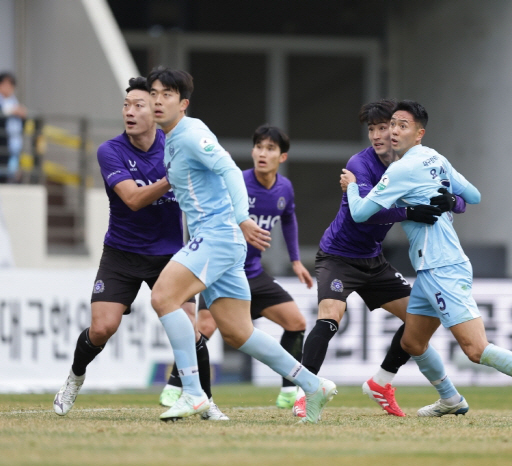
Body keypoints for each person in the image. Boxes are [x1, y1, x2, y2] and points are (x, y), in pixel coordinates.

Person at [341, 100, 512, 421]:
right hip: (429, 269)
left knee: (475, 349)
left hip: (443, 267)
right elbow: (474, 196)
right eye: (392, 124)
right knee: (412, 341)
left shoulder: (402, 169)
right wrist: (453, 198)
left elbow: (359, 213)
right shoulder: (436, 158)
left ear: (419, 133)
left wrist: (352, 187)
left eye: (403, 126)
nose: (394, 131)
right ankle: (450, 399)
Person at [147, 66, 336, 423]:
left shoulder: (190, 133)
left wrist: (241, 217)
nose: (158, 100)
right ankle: (313, 385)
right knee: (238, 332)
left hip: (217, 235)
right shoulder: (171, 139)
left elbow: (230, 170)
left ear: (183, 103)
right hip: (220, 241)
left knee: (162, 297)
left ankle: (191, 393)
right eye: (154, 93)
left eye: (167, 94)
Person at [52, 77, 227, 421]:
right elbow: (132, 199)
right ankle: (74, 377)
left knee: (191, 328)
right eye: (126, 105)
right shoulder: (110, 151)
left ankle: (204, 399)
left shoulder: (178, 144)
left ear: (157, 110)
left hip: (170, 255)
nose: (129, 112)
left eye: (138, 105)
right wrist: (170, 178)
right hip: (122, 253)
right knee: (102, 328)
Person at [296, 99, 465, 418]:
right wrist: (410, 210)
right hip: (338, 256)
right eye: (372, 128)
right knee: (330, 317)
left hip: (374, 261)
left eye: (384, 127)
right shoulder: (359, 165)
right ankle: (306, 392)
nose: (376, 134)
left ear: (402, 129)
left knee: (420, 319)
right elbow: (363, 216)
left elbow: (460, 201)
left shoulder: (416, 164)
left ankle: (382, 382)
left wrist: (452, 200)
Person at [159, 124, 312, 410]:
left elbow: (289, 218)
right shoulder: (236, 180)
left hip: (254, 272)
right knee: (203, 327)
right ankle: (176, 383)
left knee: (296, 322)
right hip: (224, 265)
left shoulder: (285, 189)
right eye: (258, 147)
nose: (262, 154)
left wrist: (294, 261)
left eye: (270, 148)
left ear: (283, 157)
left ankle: (291, 389)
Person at [0, 72, 27, 183]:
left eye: (11, 85)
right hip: (2, 146)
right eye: (6, 84)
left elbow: (21, 127)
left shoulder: (14, 102)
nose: (9, 88)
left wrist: (23, 116)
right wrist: (12, 111)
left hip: (13, 147)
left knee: (11, 177)